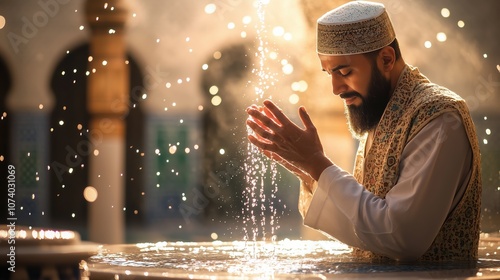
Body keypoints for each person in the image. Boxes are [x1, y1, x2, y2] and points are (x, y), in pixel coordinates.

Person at [245, 0, 482, 262]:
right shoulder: (383, 111)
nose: (335, 87)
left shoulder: (439, 118)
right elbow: (367, 230)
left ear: (386, 59)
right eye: (328, 73)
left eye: (344, 71)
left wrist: (318, 163)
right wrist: (311, 172)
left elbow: (402, 237)